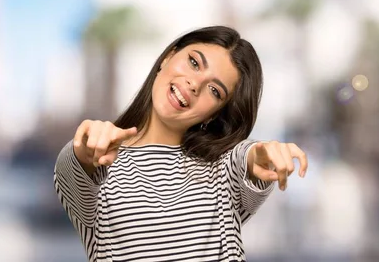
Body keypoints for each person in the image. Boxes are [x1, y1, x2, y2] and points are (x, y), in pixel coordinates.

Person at [53, 26, 308, 262]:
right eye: (194, 62)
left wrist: (258, 155)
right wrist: (84, 151)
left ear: (214, 115)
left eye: (215, 91)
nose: (195, 85)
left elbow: (243, 158)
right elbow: (72, 169)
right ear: (168, 57)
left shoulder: (220, 172)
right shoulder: (100, 165)